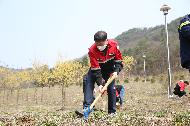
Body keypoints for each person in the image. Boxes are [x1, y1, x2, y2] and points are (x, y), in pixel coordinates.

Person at [83, 31, 123, 120]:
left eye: (101, 44)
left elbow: (119, 61)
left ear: (106, 41)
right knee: (87, 81)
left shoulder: (114, 45)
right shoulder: (92, 50)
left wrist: (116, 71)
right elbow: (95, 69)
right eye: (97, 44)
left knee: (111, 89)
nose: (99, 47)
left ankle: (112, 112)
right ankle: (87, 108)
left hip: (109, 70)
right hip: (96, 69)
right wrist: (100, 84)